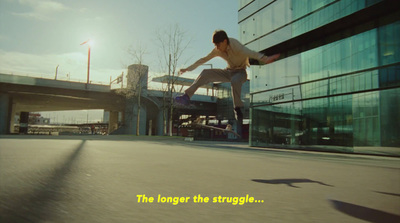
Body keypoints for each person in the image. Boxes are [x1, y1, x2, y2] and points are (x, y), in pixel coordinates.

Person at [175, 30, 280, 133]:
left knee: (235, 81)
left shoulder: (236, 45)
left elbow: (250, 52)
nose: (217, 48)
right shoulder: (217, 50)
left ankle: (238, 108)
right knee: (205, 73)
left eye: (218, 45)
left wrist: (265, 59)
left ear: (225, 41)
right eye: (215, 45)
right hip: (228, 72)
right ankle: (187, 96)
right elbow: (203, 59)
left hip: (240, 73)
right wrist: (187, 69)